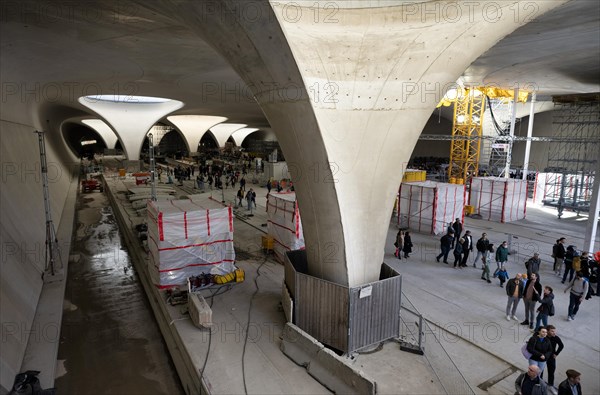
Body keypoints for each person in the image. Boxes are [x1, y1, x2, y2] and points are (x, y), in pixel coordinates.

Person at [545, 325, 564, 394]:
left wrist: (556, 353)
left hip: (551, 358)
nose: (554, 333)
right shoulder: (544, 336)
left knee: (551, 372)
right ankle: (539, 384)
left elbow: (561, 345)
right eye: (552, 331)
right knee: (540, 371)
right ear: (547, 331)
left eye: (554, 331)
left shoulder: (556, 338)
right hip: (543, 357)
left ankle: (550, 385)